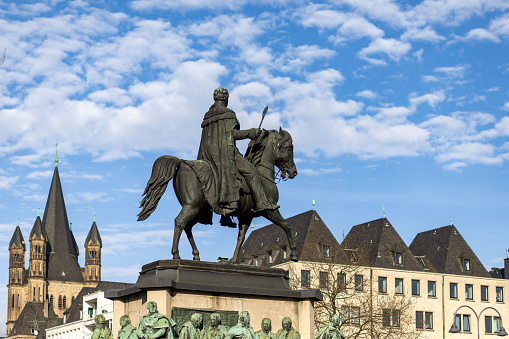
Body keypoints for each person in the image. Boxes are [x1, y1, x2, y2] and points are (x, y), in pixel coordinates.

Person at [197, 87, 279, 220]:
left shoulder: (207, 116)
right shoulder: (228, 114)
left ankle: (222, 214)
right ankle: (261, 203)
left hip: (208, 155)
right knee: (252, 173)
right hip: (226, 153)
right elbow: (232, 134)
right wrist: (251, 133)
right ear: (226, 99)